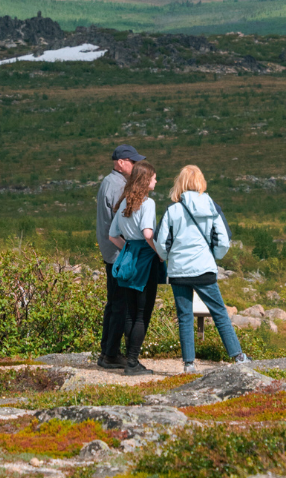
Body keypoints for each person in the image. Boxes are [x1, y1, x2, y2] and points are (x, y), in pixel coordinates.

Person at [155, 165, 249, 373]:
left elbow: (161, 243)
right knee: (219, 313)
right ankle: (238, 356)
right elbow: (223, 240)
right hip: (204, 268)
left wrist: (168, 258)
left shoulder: (173, 210)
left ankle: (189, 364)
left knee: (185, 316)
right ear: (201, 182)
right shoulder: (212, 206)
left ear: (180, 183)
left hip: (179, 271)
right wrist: (213, 257)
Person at [108, 160, 162, 376]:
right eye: (154, 177)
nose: (156, 181)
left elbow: (113, 236)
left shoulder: (123, 204)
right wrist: (158, 253)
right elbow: (148, 233)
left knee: (131, 313)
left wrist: (129, 250)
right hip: (146, 260)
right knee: (142, 313)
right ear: (145, 180)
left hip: (129, 258)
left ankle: (131, 359)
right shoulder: (148, 204)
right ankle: (132, 362)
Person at [95, 144, 146, 370]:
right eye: (132, 162)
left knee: (113, 303)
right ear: (121, 162)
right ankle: (111, 355)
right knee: (121, 306)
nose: (135, 166)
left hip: (111, 251)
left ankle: (108, 351)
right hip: (119, 253)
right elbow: (122, 220)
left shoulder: (109, 182)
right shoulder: (117, 185)